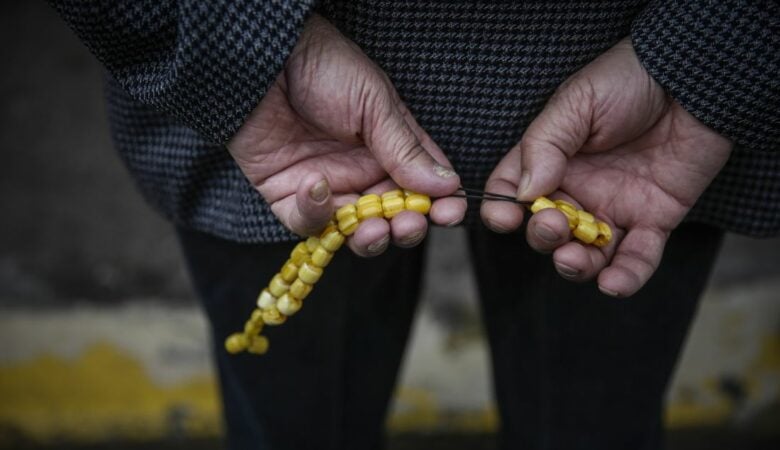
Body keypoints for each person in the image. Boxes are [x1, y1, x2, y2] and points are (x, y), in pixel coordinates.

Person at [51, 1, 778, 449]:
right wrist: (242, 46)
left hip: (634, 142)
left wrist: (708, 49)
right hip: (271, 130)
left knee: (597, 428)